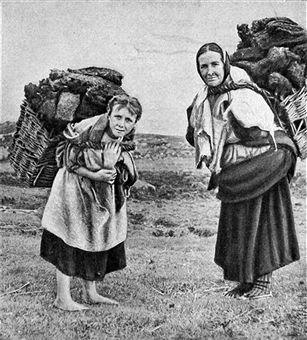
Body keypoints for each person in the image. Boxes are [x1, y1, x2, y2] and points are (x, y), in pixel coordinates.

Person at [186, 42, 300, 299]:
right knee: (238, 222)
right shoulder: (204, 98)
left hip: (266, 159)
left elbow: (260, 131)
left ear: (225, 64)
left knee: (263, 220)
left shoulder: (244, 92)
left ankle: (263, 283)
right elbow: (196, 134)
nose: (209, 71)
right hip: (238, 167)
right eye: (203, 66)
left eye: (215, 64)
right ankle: (245, 281)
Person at [40, 94, 142, 311]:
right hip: (73, 189)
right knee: (69, 236)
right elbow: (69, 160)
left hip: (98, 192)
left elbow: (123, 172)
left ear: (134, 123)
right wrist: (98, 174)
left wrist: (112, 167)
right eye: (118, 116)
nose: (121, 124)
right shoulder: (88, 129)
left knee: (93, 236)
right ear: (109, 114)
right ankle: (62, 297)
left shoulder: (122, 140)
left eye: (128, 120)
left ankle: (90, 292)